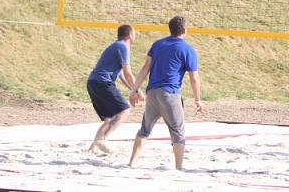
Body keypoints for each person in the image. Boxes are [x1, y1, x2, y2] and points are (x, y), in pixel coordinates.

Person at [128, 15, 203, 170]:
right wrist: (197, 99)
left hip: (152, 93)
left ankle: (132, 162)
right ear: (184, 30)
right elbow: (194, 78)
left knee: (145, 129)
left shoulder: (157, 44)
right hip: (170, 93)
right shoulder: (187, 49)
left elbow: (145, 67)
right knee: (178, 132)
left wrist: (134, 89)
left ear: (170, 29)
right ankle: (179, 167)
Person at [86, 24, 137, 155]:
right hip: (102, 82)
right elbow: (127, 72)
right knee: (124, 111)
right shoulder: (123, 46)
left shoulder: (116, 45)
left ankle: (94, 148)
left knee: (109, 118)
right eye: (134, 33)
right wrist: (137, 90)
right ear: (130, 35)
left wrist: (131, 88)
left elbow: (119, 73)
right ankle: (102, 140)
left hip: (93, 82)